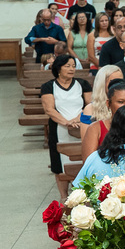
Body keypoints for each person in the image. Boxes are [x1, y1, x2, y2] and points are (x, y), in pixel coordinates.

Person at [40, 54, 92, 182]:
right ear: (58, 68)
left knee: (83, 159)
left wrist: (77, 119)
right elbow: (49, 109)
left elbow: (89, 105)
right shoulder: (48, 86)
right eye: (67, 66)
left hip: (82, 125)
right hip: (59, 127)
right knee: (60, 163)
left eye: (73, 66)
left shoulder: (82, 83)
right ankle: (63, 195)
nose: (71, 69)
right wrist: (66, 122)